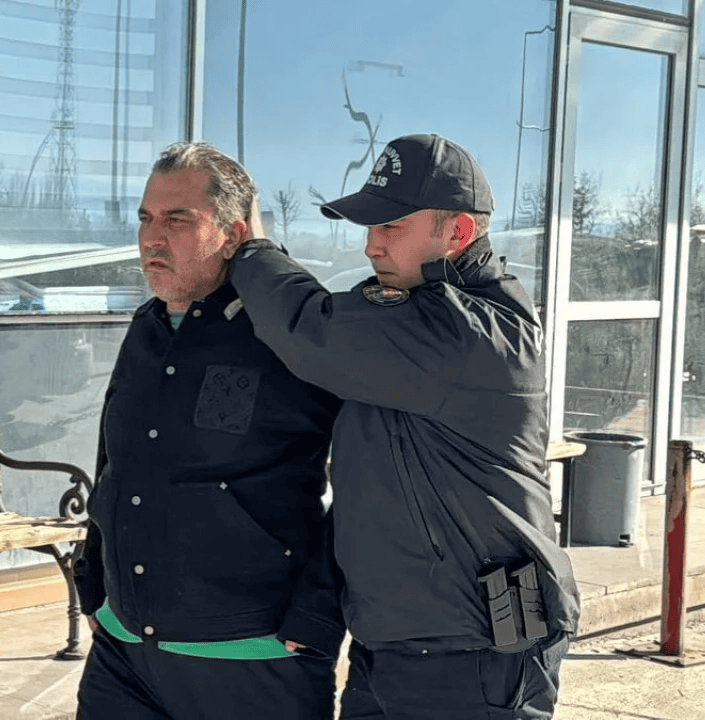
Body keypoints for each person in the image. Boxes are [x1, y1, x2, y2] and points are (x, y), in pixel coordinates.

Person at [229, 133, 581, 719]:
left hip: (477, 655)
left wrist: (250, 251)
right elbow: (375, 489)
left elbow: (309, 328)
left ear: (457, 232)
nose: (372, 244)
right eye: (369, 227)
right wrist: (320, 607)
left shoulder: (469, 332)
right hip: (392, 647)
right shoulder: (408, 319)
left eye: (391, 226)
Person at [72, 141, 345, 719]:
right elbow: (114, 461)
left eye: (177, 220)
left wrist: (318, 612)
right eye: (146, 218)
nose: (152, 238)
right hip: (122, 650)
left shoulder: (288, 332)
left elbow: (366, 484)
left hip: (250, 655)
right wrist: (92, 578)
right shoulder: (147, 326)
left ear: (233, 234)